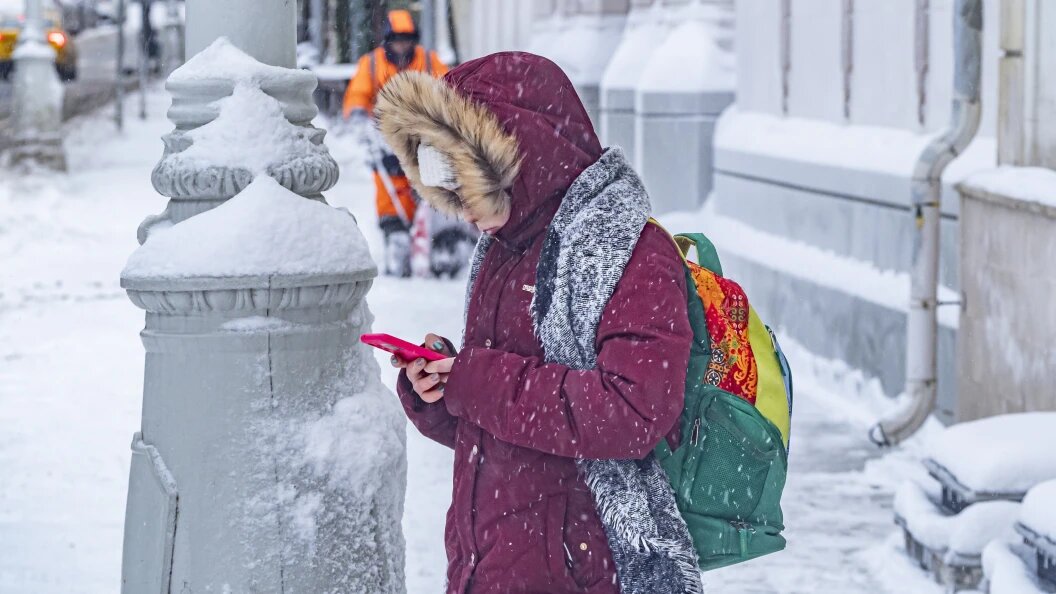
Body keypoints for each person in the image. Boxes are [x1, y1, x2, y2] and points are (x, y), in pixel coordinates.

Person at [375, 53, 704, 594]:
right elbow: (503, 425)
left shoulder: (631, 252)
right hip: (493, 566)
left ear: (514, 156)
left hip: (582, 571)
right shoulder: (504, 250)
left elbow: (632, 411)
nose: (457, 208)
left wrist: (475, 380)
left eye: (464, 183)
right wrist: (440, 389)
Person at [343, 9, 449, 276]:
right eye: (397, 39)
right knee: (391, 188)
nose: (402, 44)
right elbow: (358, 94)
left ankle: (442, 241)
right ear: (387, 40)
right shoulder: (372, 64)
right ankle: (395, 234)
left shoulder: (428, 60)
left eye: (407, 38)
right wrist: (358, 117)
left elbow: (448, 87)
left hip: (424, 138)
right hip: (384, 138)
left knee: (431, 185)